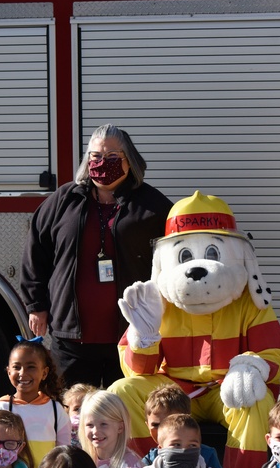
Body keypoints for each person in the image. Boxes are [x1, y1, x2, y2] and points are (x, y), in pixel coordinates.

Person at [20, 123, 173, 387]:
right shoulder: (64, 200)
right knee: (72, 415)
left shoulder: (153, 206)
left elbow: (173, 260)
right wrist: (37, 306)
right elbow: (36, 253)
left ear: (130, 161)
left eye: (113, 157)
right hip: (71, 340)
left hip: (132, 336)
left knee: (124, 417)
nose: (103, 163)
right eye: (96, 156)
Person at [0, 339, 72, 468]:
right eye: (17, 367)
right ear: (9, 372)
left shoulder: (56, 410)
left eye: (31, 367)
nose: (23, 373)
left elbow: (64, 452)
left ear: (44, 373)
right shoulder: (2, 408)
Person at [139, 383, 222, 468]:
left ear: (187, 422)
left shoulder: (206, 455)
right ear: (147, 425)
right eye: (155, 425)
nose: (161, 430)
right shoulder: (150, 459)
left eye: (170, 425)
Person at [62, 382, 97, 449]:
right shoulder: (65, 433)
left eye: (86, 408)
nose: (82, 413)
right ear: (67, 412)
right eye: (77, 409)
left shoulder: (97, 431)